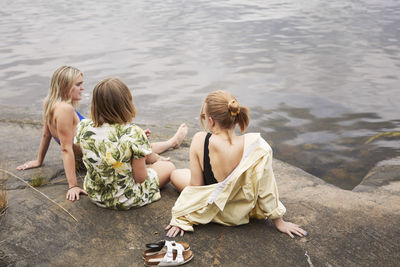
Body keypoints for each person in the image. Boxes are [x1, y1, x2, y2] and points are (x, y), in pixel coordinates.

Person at [17, 66, 187, 203]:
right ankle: (170, 144)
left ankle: (168, 145)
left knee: (138, 144)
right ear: (64, 86)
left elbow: (46, 135)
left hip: (95, 164)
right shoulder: (66, 109)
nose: (82, 88)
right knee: (143, 149)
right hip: (100, 153)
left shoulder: (49, 103)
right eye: (78, 84)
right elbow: (66, 148)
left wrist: (39, 161)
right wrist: (72, 185)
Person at [166, 90, 307, 238]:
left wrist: (182, 215)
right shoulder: (257, 146)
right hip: (241, 211)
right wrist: (280, 222)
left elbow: (196, 187)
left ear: (211, 120)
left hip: (213, 208)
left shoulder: (200, 140)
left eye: (204, 117)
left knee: (175, 174)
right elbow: (266, 188)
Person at [74, 77, 177, 210]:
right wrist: (140, 149)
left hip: (96, 195)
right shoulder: (133, 132)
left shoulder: (83, 127)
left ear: (95, 104)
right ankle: (166, 149)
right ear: (126, 103)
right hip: (127, 198)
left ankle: (166, 146)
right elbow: (140, 178)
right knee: (168, 166)